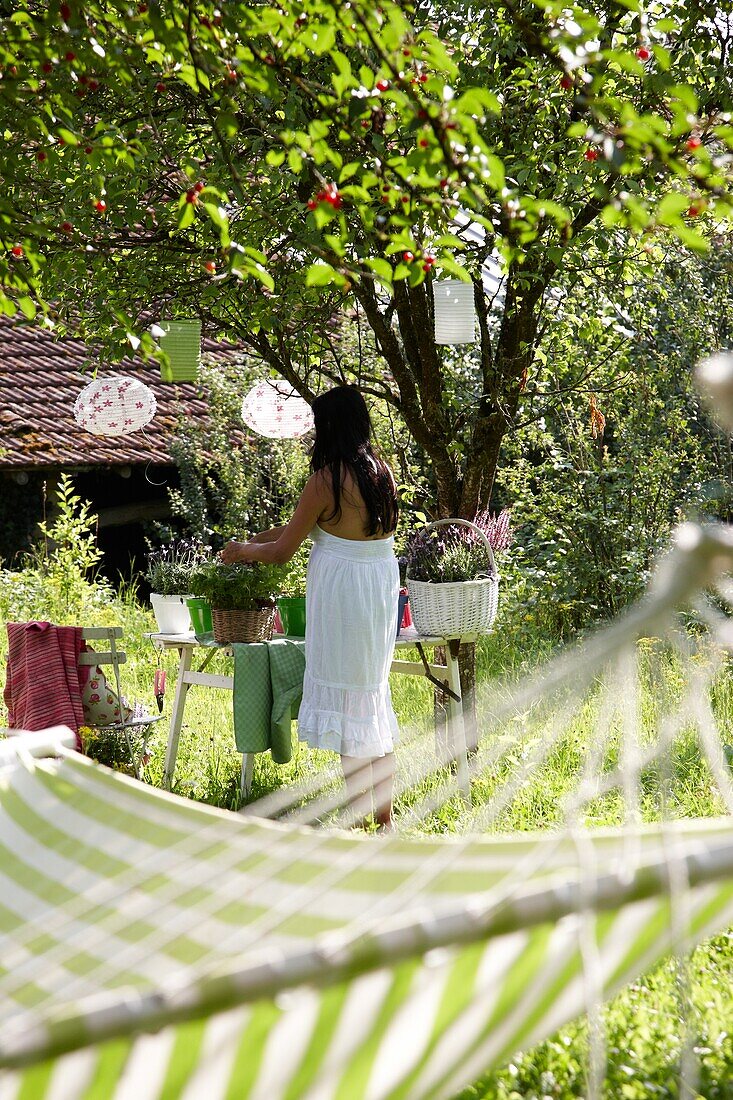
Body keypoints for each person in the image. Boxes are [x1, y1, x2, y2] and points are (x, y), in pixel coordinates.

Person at [221, 385, 400, 829]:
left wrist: (242, 551)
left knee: (348, 703)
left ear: (330, 427)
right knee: (370, 698)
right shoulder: (381, 473)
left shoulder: (326, 479)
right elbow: (313, 527)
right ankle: (385, 819)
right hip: (378, 589)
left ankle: (360, 821)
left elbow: (284, 551)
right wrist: (257, 539)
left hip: (344, 598)